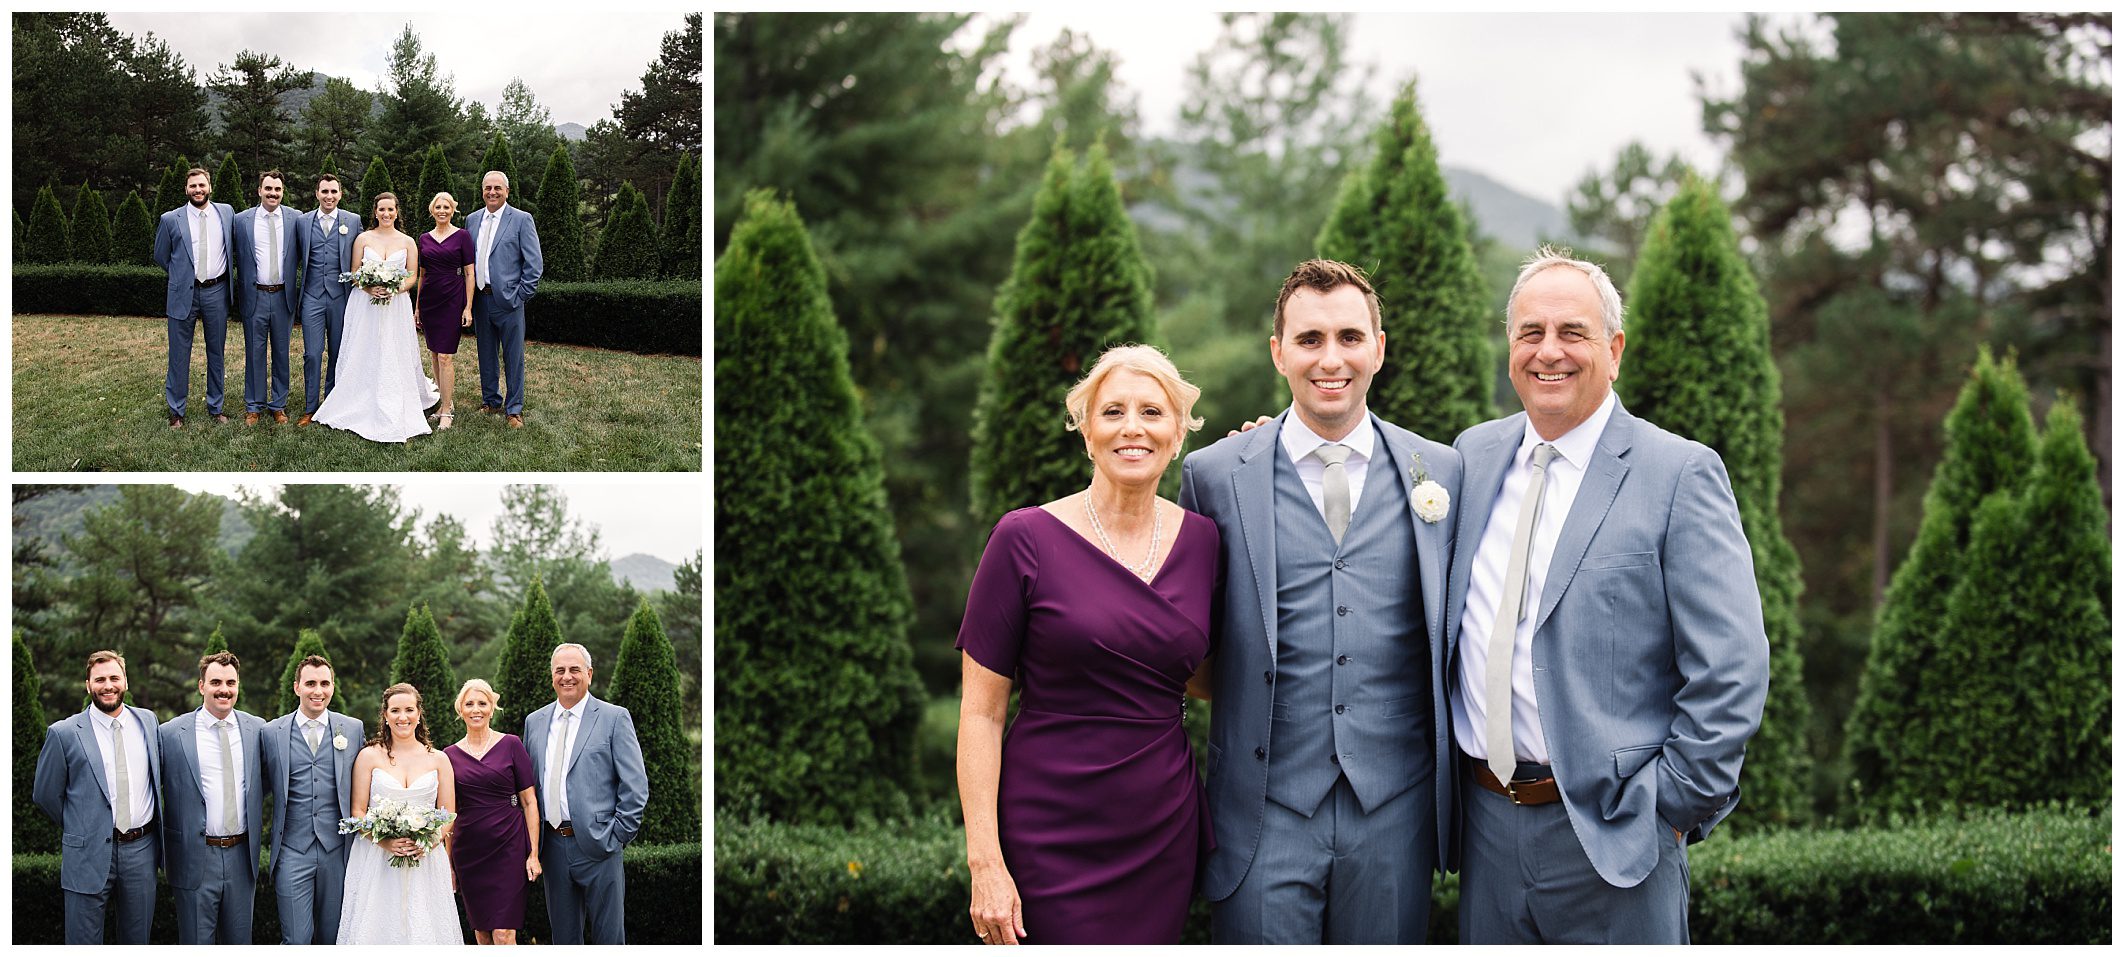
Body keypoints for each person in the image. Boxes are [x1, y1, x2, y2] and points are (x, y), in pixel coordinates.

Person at [1445, 247, 1768, 944]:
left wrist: (1670, 808)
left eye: (1573, 333)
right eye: (1530, 332)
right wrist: (1272, 443)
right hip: (1485, 831)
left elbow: (1732, 668)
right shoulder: (1468, 457)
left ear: (1614, 350)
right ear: (1510, 347)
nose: (1548, 351)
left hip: (1615, 837)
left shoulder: (1679, 473)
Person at [1179, 259, 1461, 943]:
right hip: (1263, 807)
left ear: (1379, 347)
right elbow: (1188, 642)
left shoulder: (1443, 470)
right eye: (1308, 340)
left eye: (1349, 337)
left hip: (1394, 809)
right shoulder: (1214, 474)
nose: (1330, 358)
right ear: (1278, 353)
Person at [958, 344, 1220, 945]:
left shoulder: (1204, 541)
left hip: (1160, 824)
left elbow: (1204, 678)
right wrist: (985, 862)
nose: (1134, 428)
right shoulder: (1022, 538)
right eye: (1114, 412)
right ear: (1086, 433)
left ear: (1178, 434)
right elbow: (979, 712)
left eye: (1153, 413)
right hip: (1048, 821)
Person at [32, 650, 163, 944]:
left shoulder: (148, 722)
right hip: (86, 852)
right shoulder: (63, 733)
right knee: (83, 942)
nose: (108, 685)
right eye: (99, 679)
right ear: (88, 685)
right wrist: (82, 823)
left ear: (125, 682)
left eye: (114, 677)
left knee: (137, 942)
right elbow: (45, 795)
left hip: (141, 850)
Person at [525, 643, 646, 944]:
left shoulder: (614, 718)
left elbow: (635, 785)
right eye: (560, 670)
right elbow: (529, 786)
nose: (567, 676)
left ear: (589, 674)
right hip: (551, 846)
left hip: (599, 846)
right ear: (552, 676)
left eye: (575, 669)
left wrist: (616, 835)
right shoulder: (535, 722)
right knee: (564, 940)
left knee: (609, 938)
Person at [336, 683, 463, 945]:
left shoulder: (439, 759)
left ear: (419, 714)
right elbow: (358, 811)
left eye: (408, 710)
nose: (402, 717)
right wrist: (385, 841)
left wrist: (427, 842)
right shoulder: (368, 756)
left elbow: (449, 813)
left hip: (425, 860)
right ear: (385, 715)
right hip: (378, 859)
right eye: (395, 710)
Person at [157, 651, 267, 944]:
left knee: (239, 942)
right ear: (201, 686)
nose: (224, 689)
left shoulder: (257, 729)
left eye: (231, 682)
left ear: (238, 685)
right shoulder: (170, 734)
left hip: (242, 856)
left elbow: (266, 783)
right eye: (216, 681)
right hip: (194, 856)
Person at [312, 191, 441, 442]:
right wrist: (370, 287)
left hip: (396, 305)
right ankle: (358, 397)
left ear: (396, 212)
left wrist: (394, 289)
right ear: (375, 212)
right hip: (365, 305)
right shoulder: (363, 238)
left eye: (390, 210)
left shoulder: (407, 242)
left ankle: (396, 395)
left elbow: (412, 276)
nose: (386, 214)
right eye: (382, 209)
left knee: (393, 349)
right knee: (366, 348)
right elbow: (354, 272)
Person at [259, 654, 364, 944]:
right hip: (293, 850)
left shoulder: (352, 729)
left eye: (325, 683)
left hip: (338, 850)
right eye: (311, 684)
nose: (318, 691)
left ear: (333, 686)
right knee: (296, 939)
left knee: (334, 938)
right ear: (297, 688)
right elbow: (257, 788)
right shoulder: (271, 732)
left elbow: (367, 782)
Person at [444, 679, 541, 945]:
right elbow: (448, 815)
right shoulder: (448, 755)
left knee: (503, 932)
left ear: (492, 707)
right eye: (469, 703)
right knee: (482, 934)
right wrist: (448, 864)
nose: (476, 709)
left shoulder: (511, 744)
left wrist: (533, 853)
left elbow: (529, 802)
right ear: (460, 709)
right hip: (470, 852)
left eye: (482, 703)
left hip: (508, 847)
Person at [153, 167, 235, 428]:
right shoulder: (170, 219)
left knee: (216, 352)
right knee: (179, 354)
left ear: (209, 187)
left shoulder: (227, 213)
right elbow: (160, 256)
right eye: (193, 186)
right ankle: (177, 410)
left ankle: (216, 406)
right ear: (186, 190)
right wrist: (181, 275)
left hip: (216, 292)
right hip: (183, 294)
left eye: (202, 185)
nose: (198, 190)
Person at [466, 170, 543, 428]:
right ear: (482, 191)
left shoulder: (521, 219)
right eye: (488, 188)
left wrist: (520, 295)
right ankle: (490, 401)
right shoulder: (472, 219)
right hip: (480, 299)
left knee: (513, 356)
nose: (492, 192)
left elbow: (534, 265)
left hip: (509, 301)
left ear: (507, 191)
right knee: (485, 353)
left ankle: (514, 409)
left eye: (497, 188)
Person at [232, 170, 303, 425]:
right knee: (255, 351)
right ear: (259, 190)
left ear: (283, 192)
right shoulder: (241, 220)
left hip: (283, 296)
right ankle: (253, 405)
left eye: (278, 190)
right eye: (268, 189)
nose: (273, 193)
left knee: (282, 352)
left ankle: (278, 404)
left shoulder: (296, 219)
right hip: (255, 295)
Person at [296, 173, 360, 426]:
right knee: (312, 353)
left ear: (340, 194)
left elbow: (364, 251)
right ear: (317, 194)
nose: (329, 196)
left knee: (338, 352)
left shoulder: (352, 221)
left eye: (333, 192)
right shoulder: (302, 222)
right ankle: (310, 407)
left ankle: (333, 404)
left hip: (341, 297)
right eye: (324, 192)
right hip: (312, 295)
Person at [415, 192, 477, 430]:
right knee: (433, 354)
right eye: (438, 207)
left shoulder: (463, 236)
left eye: (447, 207)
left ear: (453, 210)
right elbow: (422, 275)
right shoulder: (424, 238)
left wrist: (468, 306)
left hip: (453, 298)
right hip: (430, 299)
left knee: (445, 356)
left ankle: (447, 410)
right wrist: (418, 307)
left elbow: (470, 273)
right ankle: (442, 404)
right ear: (432, 210)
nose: (442, 210)